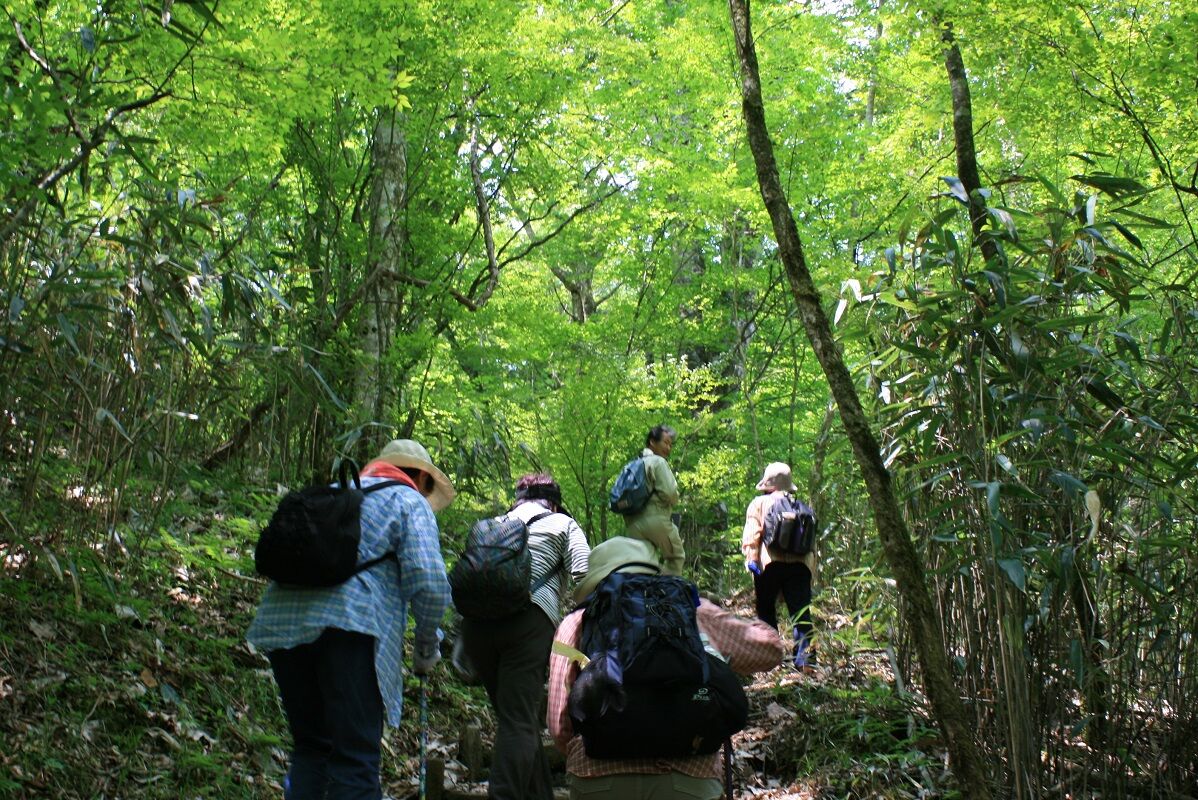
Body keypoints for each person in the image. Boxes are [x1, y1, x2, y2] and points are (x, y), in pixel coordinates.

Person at [247, 439, 455, 800]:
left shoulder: (333, 493)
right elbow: (430, 582)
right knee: (354, 759)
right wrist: (426, 647)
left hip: (283, 626)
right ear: (420, 476)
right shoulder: (408, 501)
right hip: (351, 629)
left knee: (311, 748)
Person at [548, 537, 783, 800]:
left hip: (598, 779)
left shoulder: (575, 622)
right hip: (690, 779)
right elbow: (770, 649)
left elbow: (559, 727)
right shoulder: (692, 610)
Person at [459, 473, 591, 800]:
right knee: (518, 721)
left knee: (516, 718)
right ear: (554, 500)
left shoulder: (494, 524)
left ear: (518, 499)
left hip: (477, 627)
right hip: (527, 624)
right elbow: (586, 574)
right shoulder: (563, 523)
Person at [741, 461, 817, 669]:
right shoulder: (799, 506)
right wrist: (811, 571)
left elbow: (752, 533)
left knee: (766, 608)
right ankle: (806, 660)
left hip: (769, 564)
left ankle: (769, 656)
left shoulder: (759, 503)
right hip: (800, 566)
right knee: (801, 611)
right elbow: (810, 544)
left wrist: (752, 559)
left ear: (768, 484)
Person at [622, 424, 685, 575]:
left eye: (670, 444)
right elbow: (670, 493)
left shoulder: (632, 464)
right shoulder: (658, 462)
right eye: (665, 442)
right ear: (652, 442)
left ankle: (641, 595)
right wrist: (674, 500)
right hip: (656, 520)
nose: (668, 448)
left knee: (642, 564)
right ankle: (666, 594)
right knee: (676, 557)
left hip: (632, 524)